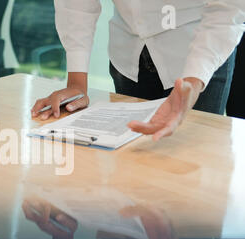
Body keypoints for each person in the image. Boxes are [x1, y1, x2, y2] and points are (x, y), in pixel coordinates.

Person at [31, 0, 245, 141]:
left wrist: (194, 79)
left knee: (193, 171)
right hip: (128, 54)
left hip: (200, 54)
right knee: (132, 165)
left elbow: (228, 9)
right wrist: (77, 84)